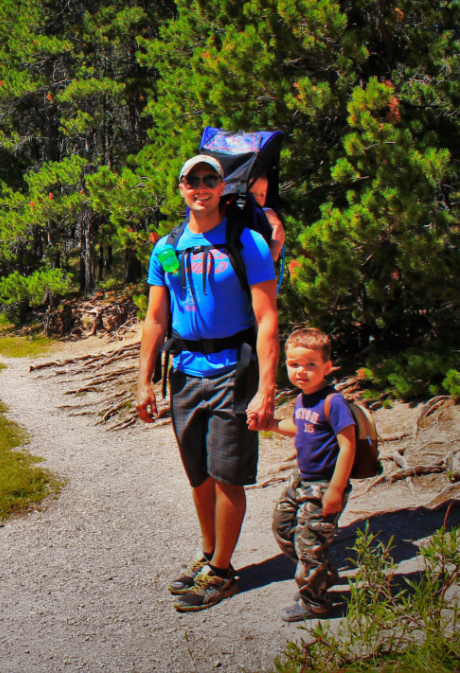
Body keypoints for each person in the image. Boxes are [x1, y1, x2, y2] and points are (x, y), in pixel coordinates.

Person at [136, 154, 279, 612]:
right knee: (198, 474)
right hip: (184, 374)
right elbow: (156, 319)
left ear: (222, 186)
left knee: (226, 477)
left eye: (209, 178)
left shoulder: (247, 242)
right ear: (180, 188)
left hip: (233, 372)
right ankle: (209, 553)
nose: (200, 186)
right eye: (191, 180)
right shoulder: (167, 248)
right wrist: (142, 382)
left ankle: (221, 572)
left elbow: (267, 319)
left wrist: (266, 388)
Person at [261, 327, 356, 621]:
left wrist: (336, 490)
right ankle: (322, 574)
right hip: (302, 479)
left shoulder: (333, 402)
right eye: (294, 364)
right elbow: (299, 427)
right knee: (283, 525)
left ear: (327, 367)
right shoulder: (303, 398)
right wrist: (271, 424)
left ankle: (315, 602)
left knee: (310, 544)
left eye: (310, 365)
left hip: (325, 483)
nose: (301, 371)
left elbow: (348, 445)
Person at [248, 176, 285, 261]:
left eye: (262, 194)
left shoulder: (265, 211)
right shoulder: (235, 209)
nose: (258, 197)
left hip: (261, 255)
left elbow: (278, 227)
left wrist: (274, 250)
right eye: (252, 193)